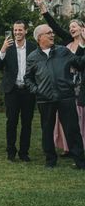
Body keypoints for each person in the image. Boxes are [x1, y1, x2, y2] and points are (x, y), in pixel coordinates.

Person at [24, 24, 85, 169]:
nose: (52, 35)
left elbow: (79, 63)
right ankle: (50, 161)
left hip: (66, 97)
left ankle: (81, 162)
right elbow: (28, 78)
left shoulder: (63, 51)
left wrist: (83, 44)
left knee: (73, 130)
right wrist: (37, 90)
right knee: (47, 130)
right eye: (49, 33)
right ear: (40, 38)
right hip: (45, 100)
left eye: (52, 32)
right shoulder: (32, 57)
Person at [38, 1, 85, 156]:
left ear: (82, 29)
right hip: (67, 84)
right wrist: (44, 10)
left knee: (80, 117)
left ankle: (80, 147)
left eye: (74, 26)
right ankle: (68, 147)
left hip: (81, 84)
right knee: (66, 118)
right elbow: (56, 27)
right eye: (70, 27)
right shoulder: (67, 42)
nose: (71, 29)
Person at [0, 21, 37, 162]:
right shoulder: (8, 47)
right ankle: (11, 152)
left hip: (28, 90)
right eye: (15, 30)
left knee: (27, 123)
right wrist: (2, 50)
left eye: (20, 30)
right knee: (11, 122)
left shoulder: (32, 47)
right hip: (12, 90)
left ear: (25, 31)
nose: (17, 32)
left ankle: (24, 153)